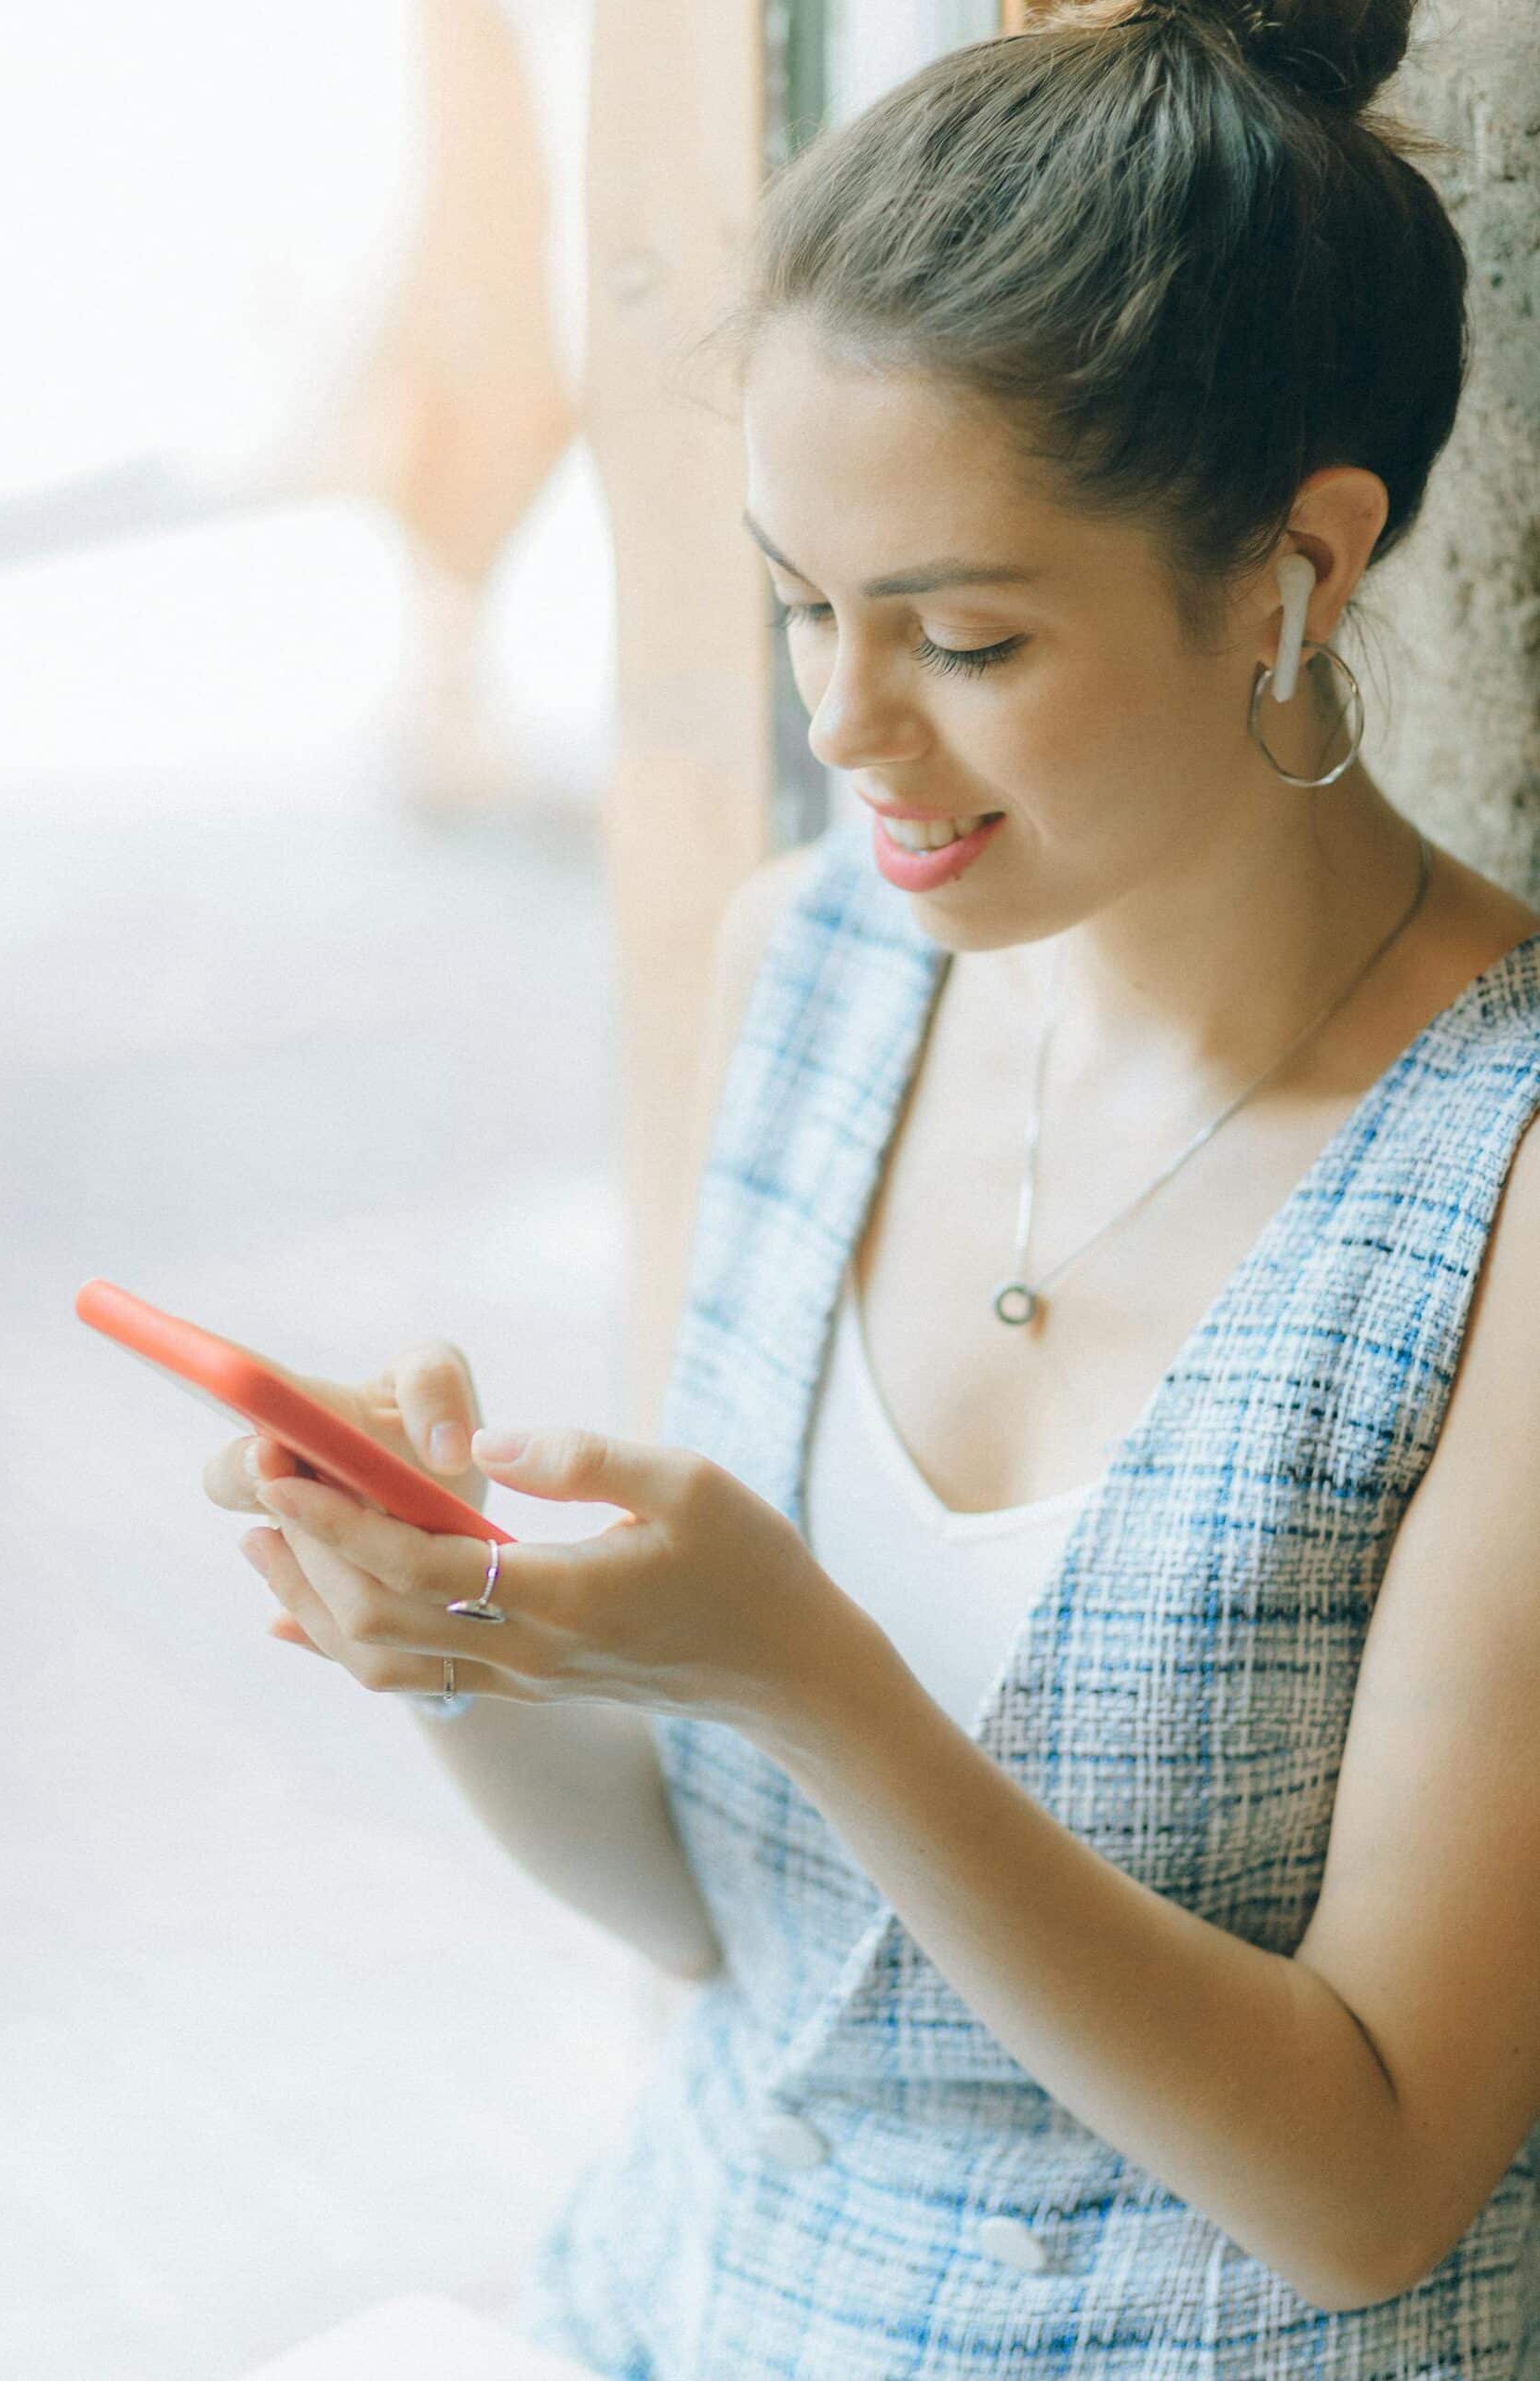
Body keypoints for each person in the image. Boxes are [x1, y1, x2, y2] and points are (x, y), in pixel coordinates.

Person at [209, 2, 1540, 2373]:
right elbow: (750, 1942)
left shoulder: (1500, 1177)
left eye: (965, 634)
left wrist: (817, 1680)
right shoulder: (818, 966)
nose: (841, 725)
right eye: (799, 603)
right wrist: (471, 1637)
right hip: (689, 2301)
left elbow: (1365, 2179)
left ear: (1296, 570)